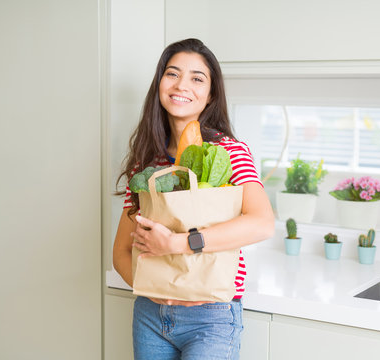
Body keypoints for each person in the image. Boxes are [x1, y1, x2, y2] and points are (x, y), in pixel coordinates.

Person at [113, 38, 275, 360]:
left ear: (210, 94)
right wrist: (164, 292)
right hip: (150, 315)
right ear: (160, 83)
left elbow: (262, 223)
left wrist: (176, 244)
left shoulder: (228, 153)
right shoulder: (147, 162)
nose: (181, 85)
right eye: (172, 74)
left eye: (197, 78)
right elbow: (120, 252)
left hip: (211, 316)